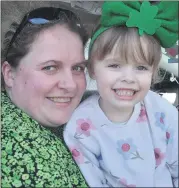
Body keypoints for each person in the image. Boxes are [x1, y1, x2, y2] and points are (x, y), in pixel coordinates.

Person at [64, 1, 178, 187]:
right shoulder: (80, 129)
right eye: (114, 65)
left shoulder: (161, 111)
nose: (128, 78)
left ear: (153, 72)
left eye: (141, 67)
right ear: (92, 69)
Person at [1, 4, 89, 187]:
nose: (70, 84)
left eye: (78, 68)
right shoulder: (23, 162)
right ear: (9, 74)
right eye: (50, 67)